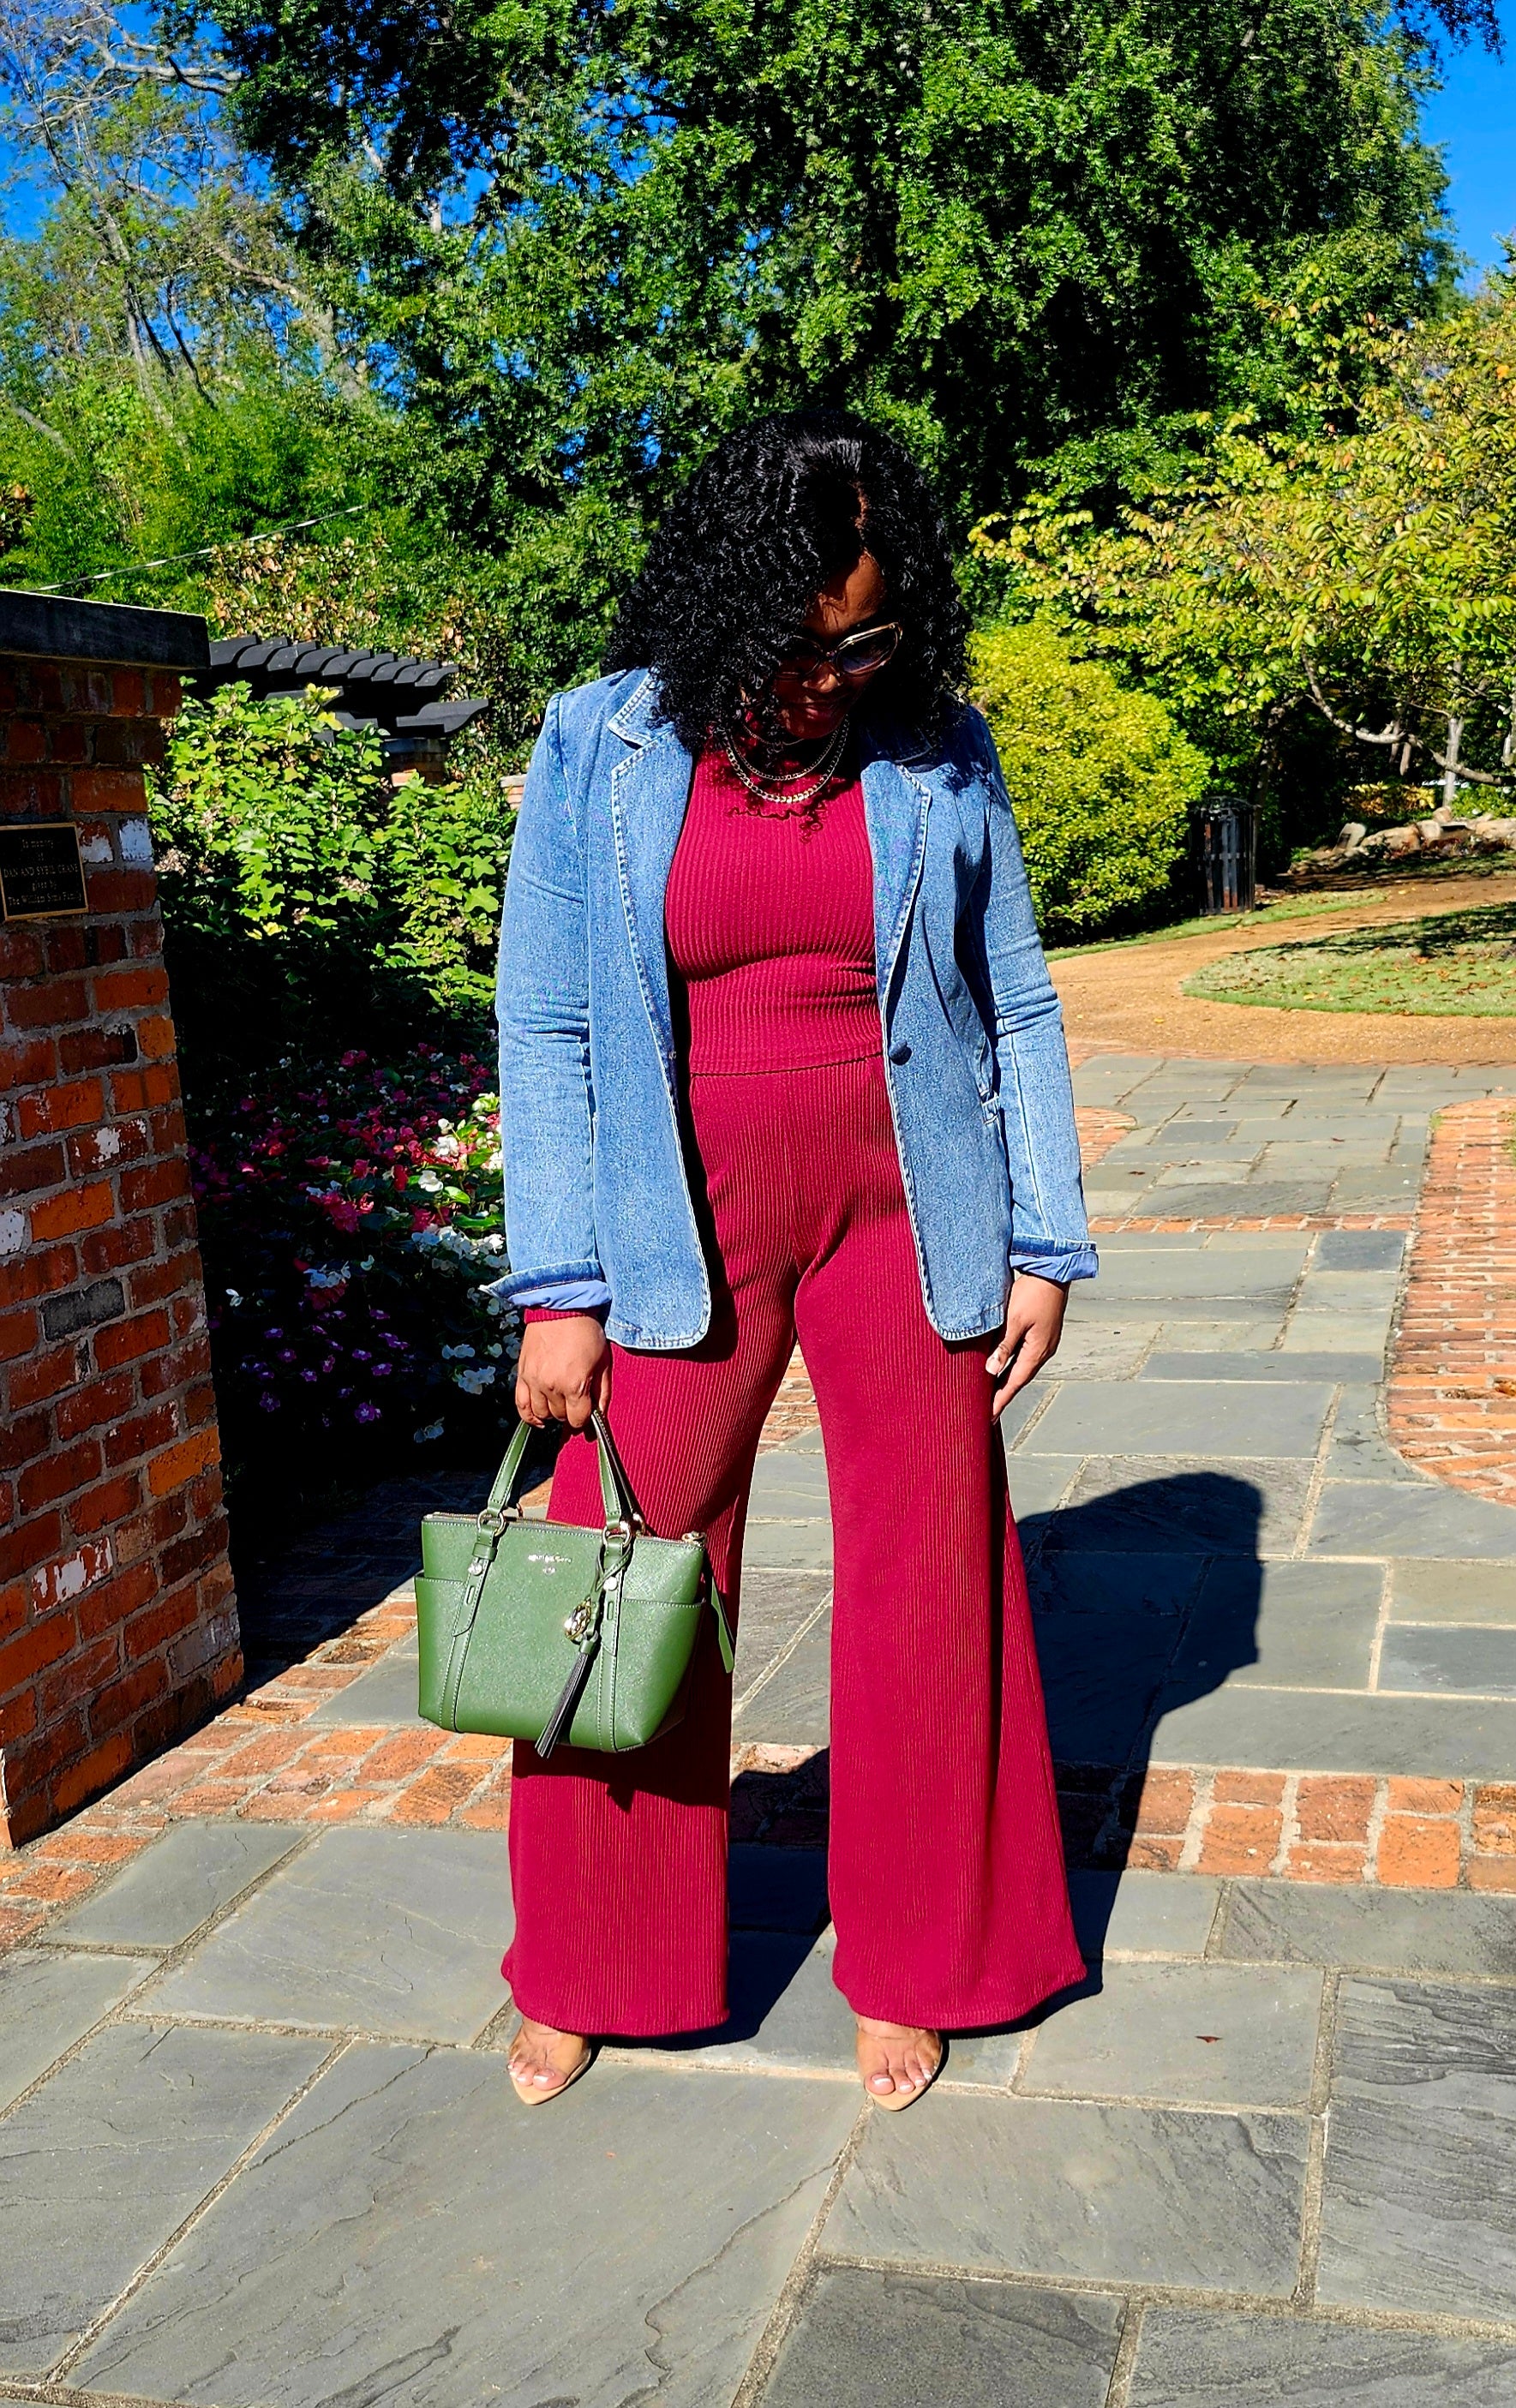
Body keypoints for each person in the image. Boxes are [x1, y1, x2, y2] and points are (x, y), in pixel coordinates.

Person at [493, 410, 1095, 2109]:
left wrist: (1042, 1238)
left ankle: (916, 1956)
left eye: (873, 635)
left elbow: (1016, 1000)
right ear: (727, 607)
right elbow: (543, 1022)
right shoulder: (596, 747)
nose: (839, 675)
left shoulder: (937, 747)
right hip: (683, 1216)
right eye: (808, 642)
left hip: (910, 1201)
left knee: (932, 1578)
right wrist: (560, 1287)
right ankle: (587, 1957)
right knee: (625, 1579)